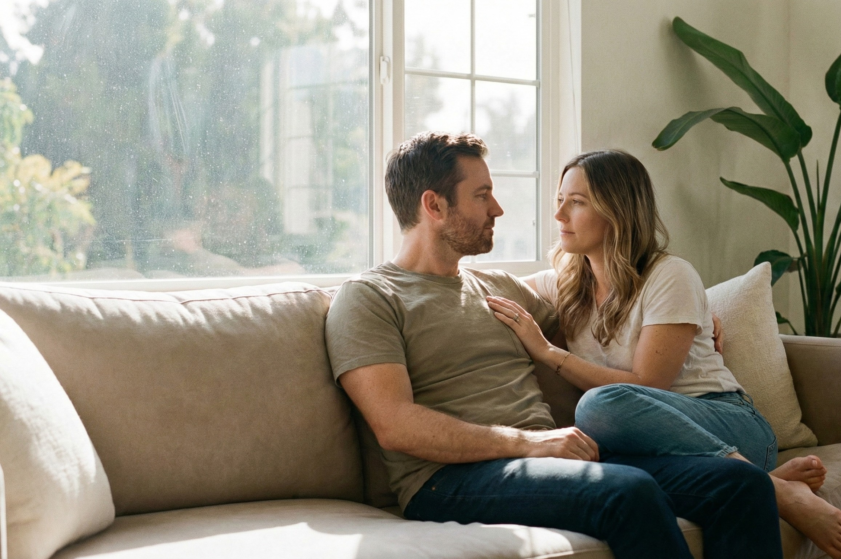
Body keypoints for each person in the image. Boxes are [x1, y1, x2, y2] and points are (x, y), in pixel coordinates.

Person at [327, 132, 784, 558]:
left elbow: (603, 311)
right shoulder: (370, 297)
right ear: (434, 205)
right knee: (627, 491)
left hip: (553, 456)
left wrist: (701, 315)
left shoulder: (499, 287)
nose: (498, 209)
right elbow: (396, 426)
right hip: (445, 479)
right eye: (482, 195)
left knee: (739, 483)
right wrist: (530, 443)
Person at [486, 150, 841, 559]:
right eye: (559, 200)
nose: (559, 216)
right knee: (594, 458)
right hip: (652, 447)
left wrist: (548, 352)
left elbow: (648, 385)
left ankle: (769, 485)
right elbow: (483, 286)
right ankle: (761, 482)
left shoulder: (669, 275)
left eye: (577, 202)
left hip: (727, 420)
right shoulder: (566, 285)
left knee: (599, 406)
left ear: (619, 211)